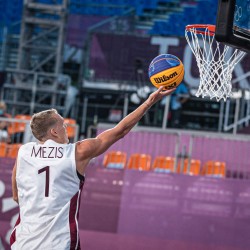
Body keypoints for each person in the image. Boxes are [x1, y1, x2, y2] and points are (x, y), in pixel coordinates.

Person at [10, 86, 175, 250]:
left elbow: (16, 190)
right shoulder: (75, 152)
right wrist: (149, 101)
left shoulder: (24, 151)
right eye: (63, 125)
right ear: (54, 131)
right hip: (58, 243)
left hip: (23, 242)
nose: (66, 129)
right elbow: (120, 131)